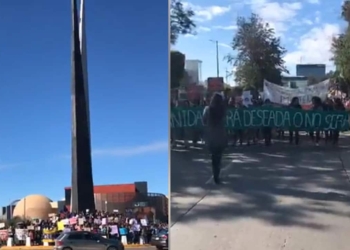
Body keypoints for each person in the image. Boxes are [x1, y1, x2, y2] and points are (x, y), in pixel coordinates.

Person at [203, 93, 227, 184]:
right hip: (221, 135)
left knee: (213, 157)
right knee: (219, 157)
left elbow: (204, 121)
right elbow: (225, 121)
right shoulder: (223, 110)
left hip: (211, 136)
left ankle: (215, 175)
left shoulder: (207, 110)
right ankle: (217, 174)